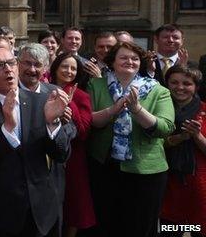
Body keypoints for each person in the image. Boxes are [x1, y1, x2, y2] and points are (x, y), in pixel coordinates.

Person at [0, 47, 72, 237]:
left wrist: (52, 123)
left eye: (11, 62)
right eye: (0, 65)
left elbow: (61, 154)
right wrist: (7, 128)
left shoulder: (42, 101)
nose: (8, 69)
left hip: (41, 213)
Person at [87, 41, 175, 237]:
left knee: (140, 228)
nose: (130, 61)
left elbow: (165, 128)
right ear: (113, 61)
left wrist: (137, 110)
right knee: (106, 225)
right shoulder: (96, 84)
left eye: (134, 58)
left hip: (145, 172)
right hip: (104, 167)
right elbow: (90, 121)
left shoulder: (158, 90)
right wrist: (112, 110)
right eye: (124, 57)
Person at [48, 53, 96, 237]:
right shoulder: (44, 89)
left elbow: (84, 131)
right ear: (56, 68)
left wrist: (70, 103)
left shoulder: (82, 96)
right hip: (45, 154)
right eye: (65, 67)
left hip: (72, 158)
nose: (69, 71)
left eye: (73, 68)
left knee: (73, 207)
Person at [159, 65, 206, 233]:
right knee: (170, 229)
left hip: (198, 184)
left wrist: (197, 136)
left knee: (197, 228)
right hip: (167, 183)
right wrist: (179, 138)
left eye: (187, 84)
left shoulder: (204, 110)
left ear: (196, 87)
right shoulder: (160, 108)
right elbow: (153, 145)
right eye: (174, 82)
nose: (180, 88)